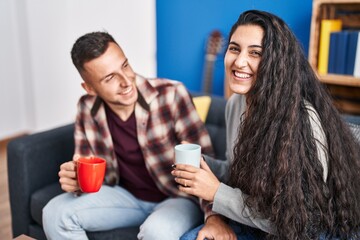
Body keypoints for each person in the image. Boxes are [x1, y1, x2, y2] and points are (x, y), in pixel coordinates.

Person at [172, 10, 360, 240]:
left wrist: (216, 192)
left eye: (255, 53)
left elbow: (300, 219)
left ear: (276, 62)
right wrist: (202, 166)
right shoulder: (235, 104)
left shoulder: (302, 118)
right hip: (256, 222)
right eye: (234, 48)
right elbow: (245, 176)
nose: (240, 61)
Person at [42, 31, 215, 240]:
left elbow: (207, 166)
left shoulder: (172, 94)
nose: (126, 81)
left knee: (156, 232)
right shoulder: (86, 108)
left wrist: (214, 217)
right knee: (54, 213)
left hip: (176, 198)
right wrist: (76, 181)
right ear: (90, 88)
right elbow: (85, 167)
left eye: (124, 65)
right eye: (110, 77)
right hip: (124, 197)